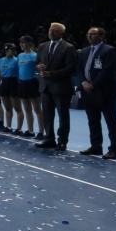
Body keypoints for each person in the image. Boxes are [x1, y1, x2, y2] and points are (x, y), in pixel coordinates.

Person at [77, 27, 116, 160]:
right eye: (88, 34)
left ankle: (114, 150)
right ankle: (96, 146)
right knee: (93, 120)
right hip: (88, 90)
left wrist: (94, 84)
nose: (90, 36)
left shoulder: (109, 50)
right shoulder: (85, 51)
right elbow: (79, 69)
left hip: (105, 91)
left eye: (93, 34)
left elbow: (107, 70)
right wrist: (84, 82)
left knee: (111, 120)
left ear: (102, 36)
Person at [35, 23, 77, 151]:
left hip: (61, 87)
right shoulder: (43, 46)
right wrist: (39, 67)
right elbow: (37, 62)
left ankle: (62, 141)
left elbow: (71, 68)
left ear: (61, 33)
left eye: (55, 31)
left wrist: (52, 74)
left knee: (63, 116)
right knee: (47, 114)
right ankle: (49, 138)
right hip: (45, 87)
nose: (51, 33)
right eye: (50, 30)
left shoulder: (68, 48)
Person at [16, 36, 43, 138]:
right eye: (21, 43)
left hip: (32, 83)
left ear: (30, 43)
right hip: (22, 83)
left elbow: (39, 69)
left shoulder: (35, 56)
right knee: (27, 108)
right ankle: (30, 131)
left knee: (37, 108)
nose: (21, 44)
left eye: (23, 42)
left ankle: (41, 132)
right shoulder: (20, 56)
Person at [0, 43, 22, 134]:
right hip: (4, 83)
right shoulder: (0, 61)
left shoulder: (17, 60)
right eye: (10, 50)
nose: (12, 51)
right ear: (6, 50)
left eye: (13, 50)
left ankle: (18, 129)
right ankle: (8, 126)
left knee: (17, 108)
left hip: (13, 83)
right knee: (8, 108)